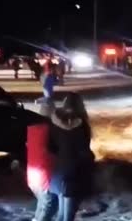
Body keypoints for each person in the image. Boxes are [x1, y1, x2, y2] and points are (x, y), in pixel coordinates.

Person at [48, 93, 94, 221]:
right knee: (68, 217)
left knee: (61, 215)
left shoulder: (54, 123)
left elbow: (50, 146)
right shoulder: (82, 125)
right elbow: (83, 151)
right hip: (74, 174)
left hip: (57, 172)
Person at [26, 101, 57, 221]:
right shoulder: (50, 130)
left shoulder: (32, 129)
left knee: (42, 204)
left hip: (33, 176)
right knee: (48, 208)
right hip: (45, 176)